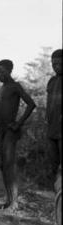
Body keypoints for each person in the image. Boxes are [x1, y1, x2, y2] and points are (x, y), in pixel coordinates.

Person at [0, 59, 36, 211]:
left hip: (11, 130)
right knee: (2, 165)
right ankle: (9, 200)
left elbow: (31, 104)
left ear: (10, 70)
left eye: (2, 72)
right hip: (1, 131)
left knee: (9, 165)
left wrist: (18, 123)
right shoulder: (2, 88)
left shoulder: (15, 86)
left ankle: (14, 203)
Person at [46, 49, 62, 177]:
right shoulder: (51, 81)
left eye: (60, 64)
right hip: (52, 128)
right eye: (54, 64)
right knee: (53, 164)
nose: (56, 67)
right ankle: (57, 195)